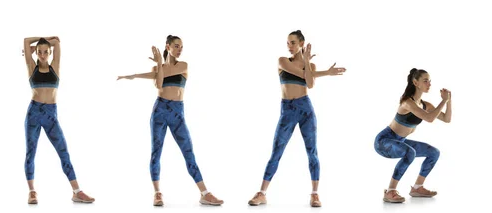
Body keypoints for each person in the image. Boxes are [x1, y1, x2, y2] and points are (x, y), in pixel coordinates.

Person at [117, 35, 223, 206]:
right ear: (167, 47)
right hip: (159, 110)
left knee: (188, 152)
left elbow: (162, 74)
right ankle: (157, 193)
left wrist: (142, 72)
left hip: (177, 113)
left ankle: (205, 193)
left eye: (181, 46)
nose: (180, 49)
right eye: (176, 46)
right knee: (156, 153)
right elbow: (159, 84)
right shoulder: (157, 67)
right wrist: (156, 66)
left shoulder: (183, 65)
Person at [246, 30, 346, 207]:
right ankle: (262, 193)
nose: (289, 46)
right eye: (288, 43)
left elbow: (309, 84)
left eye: (293, 43)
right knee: (277, 151)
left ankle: (315, 194)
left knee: (312, 152)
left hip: (305, 108)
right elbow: (302, 75)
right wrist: (325, 72)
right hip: (288, 110)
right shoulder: (283, 61)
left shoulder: (311, 66)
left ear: (302, 44)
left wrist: (308, 63)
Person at [22, 36, 95, 204]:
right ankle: (32, 191)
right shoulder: (31, 67)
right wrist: (35, 46)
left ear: (49, 53)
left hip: (50, 115)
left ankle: (77, 191)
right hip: (34, 112)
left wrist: (45, 40)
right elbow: (26, 41)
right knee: (30, 153)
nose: (41, 55)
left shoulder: (55, 66)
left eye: (45, 52)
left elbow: (57, 42)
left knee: (63, 152)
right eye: (39, 52)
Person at [374, 68, 451, 203]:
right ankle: (390, 191)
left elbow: (446, 119)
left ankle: (417, 187)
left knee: (434, 152)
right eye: (425, 81)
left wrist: (449, 101)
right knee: (410, 152)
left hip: (400, 141)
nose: (429, 84)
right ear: (415, 82)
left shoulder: (425, 105)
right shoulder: (407, 102)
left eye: (430, 81)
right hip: (384, 141)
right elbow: (429, 118)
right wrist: (443, 101)